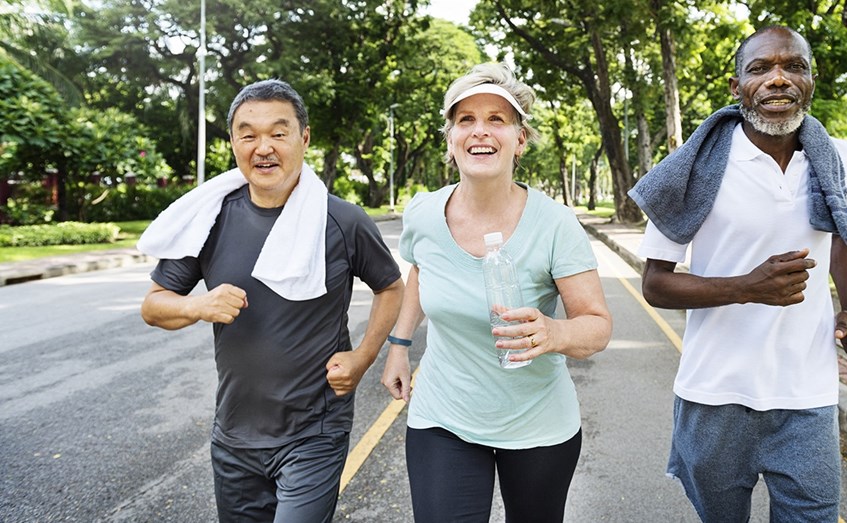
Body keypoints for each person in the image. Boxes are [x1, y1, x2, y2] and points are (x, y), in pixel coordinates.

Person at [628, 26, 847, 522]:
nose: (778, 79)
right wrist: (746, 288)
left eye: (794, 67)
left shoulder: (844, 161)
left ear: (811, 79)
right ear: (736, 85)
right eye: (761, 68)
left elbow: (842, 236)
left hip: (806, 393)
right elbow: (655, 284)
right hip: (715, 395)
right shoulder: (692, 170)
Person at [138, 79, 404, 522]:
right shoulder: (209, 219)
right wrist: (195, 306)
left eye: (278, 133)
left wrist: (363, 358)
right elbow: (153, 305)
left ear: (304, 138)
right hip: (234, 436)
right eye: (248, 134)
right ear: (233, 143)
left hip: (314, 432)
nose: (263, 147)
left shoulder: (342, 220)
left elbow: (391, 287)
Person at [380, 63, 612, 522]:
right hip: (443, 417)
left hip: (537, 425)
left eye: (496, 119)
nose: (479, 131)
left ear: (519, 139)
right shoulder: (424, 212)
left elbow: (597, 326)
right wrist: (399, 346)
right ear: (450, 139)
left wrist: (553, 333)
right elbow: (421, 272)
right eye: (465, 119)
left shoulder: (555, 224)